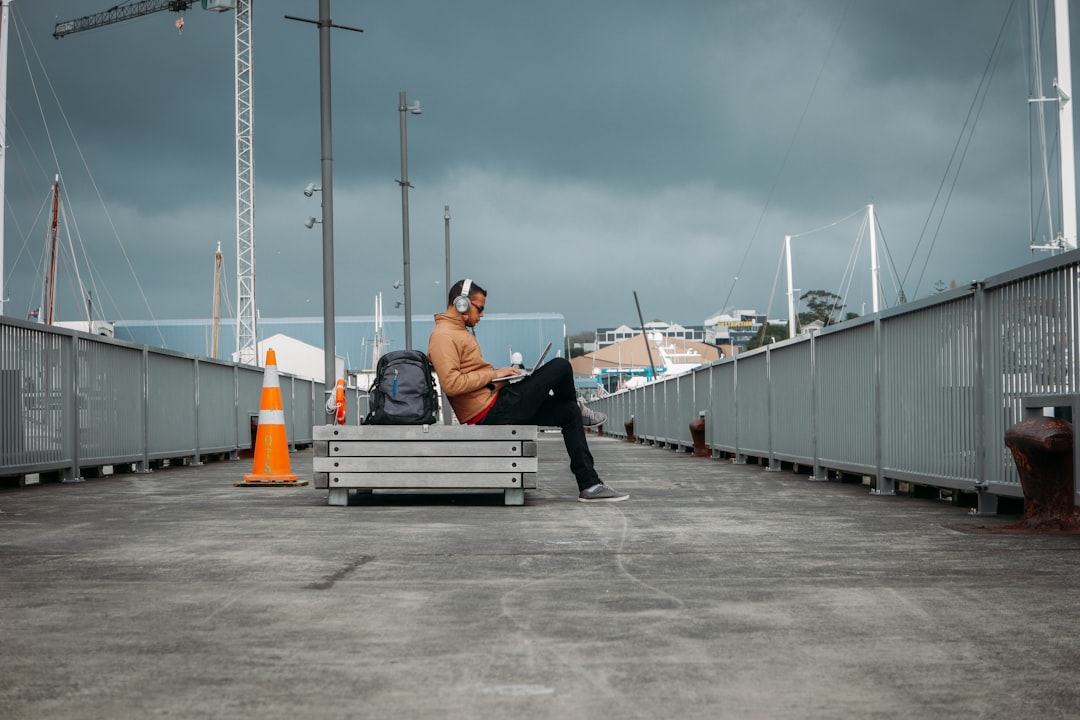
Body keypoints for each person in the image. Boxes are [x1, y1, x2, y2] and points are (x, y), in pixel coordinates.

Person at [428, 278, 629, 503]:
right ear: (462, 303)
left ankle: (590, 485)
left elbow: (472, 379)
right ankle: (579, 409)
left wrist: (503, 377)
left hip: (497, 401)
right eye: (480, 308)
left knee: (568, 412)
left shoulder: (458, 332)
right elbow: (452, 384)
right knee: (561, 366)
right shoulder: (443, 336)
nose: (482, 315)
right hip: (491, 411)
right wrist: (494, 374)